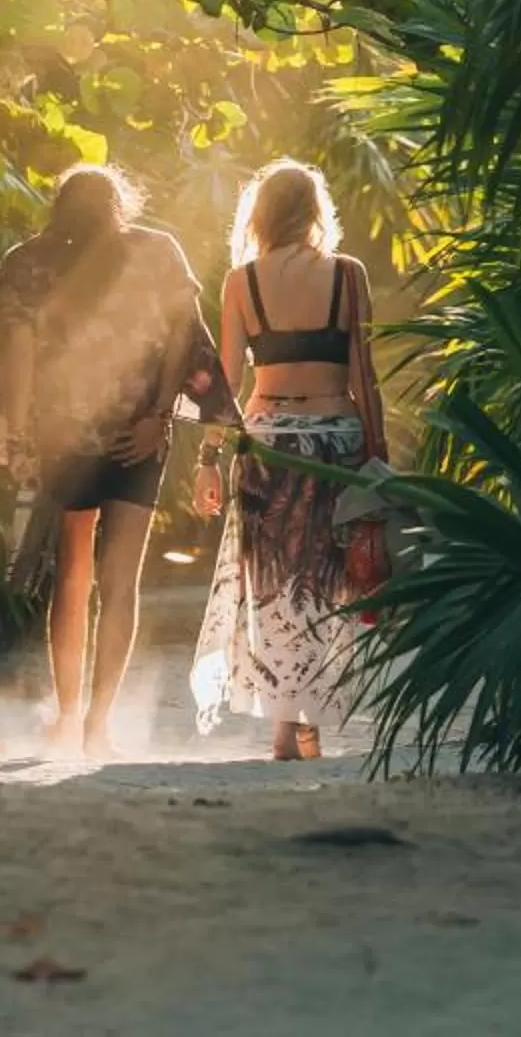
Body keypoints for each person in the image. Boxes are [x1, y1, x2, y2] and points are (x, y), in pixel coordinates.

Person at [0, 164, 224, 759]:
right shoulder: (157, 251)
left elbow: (15, 356)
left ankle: (68, 718)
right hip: (137, 435)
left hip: (64, 436)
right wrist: (160, 416)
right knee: (121, 582)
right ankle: (97, 726)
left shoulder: (27, 261)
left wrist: (16, 433)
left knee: (72, 575)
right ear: (121, 203)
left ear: (58, 205)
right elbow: (183, 337)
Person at [190, 158, 386, 760]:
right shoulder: (348, 276)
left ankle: (283, 727)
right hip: (335, 440)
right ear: (315, 212)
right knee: (327, 582)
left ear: (261, 215)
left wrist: (207, 458)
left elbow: (224, 381)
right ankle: (309, 726)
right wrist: (377, 455)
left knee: (272, 587)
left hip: (267, 441)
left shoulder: (240, 281)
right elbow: (364, 375)